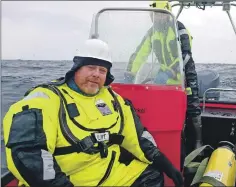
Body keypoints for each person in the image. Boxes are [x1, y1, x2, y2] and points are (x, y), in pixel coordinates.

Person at [2, 38, 183, 187]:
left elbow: (137, 137)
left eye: (102, 70)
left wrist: (166, 165)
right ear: (76, 68)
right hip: (70, 179)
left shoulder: (113, 99)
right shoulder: (45, 99)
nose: (96, 74)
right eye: (90, 67)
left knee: (151, 176)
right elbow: (28, 154)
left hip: (109, 173)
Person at [125, 1, 203, 159]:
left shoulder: (179, 28)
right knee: (161, 110)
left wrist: (171, 72)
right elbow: (140, 53)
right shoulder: (151, 33)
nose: (156, 17)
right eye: (153, 14)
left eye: (159, 13)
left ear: (167, 14)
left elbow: (186, 55)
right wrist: (129, 74)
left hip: (184, 74)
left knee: (193, 107)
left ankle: (198, 140)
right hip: (164, 76)